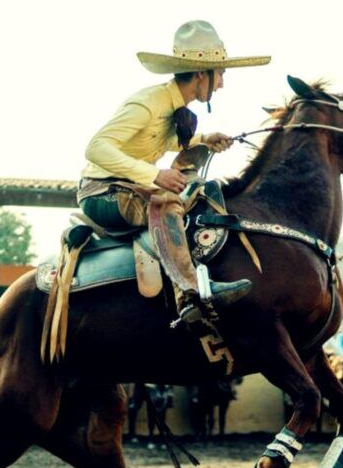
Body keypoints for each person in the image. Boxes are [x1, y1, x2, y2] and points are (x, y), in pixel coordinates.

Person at [78, 20, 270, 324]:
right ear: (199, 74)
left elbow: (160, 141)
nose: (221, 83)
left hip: (127, 188)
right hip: (102, 195)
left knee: (197, 195)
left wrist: (204, 140)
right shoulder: (147, 104)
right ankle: (190, 292)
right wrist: (154, 176)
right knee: (167, 200)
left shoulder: (172, 107)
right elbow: (96, 148)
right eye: (220, 74)